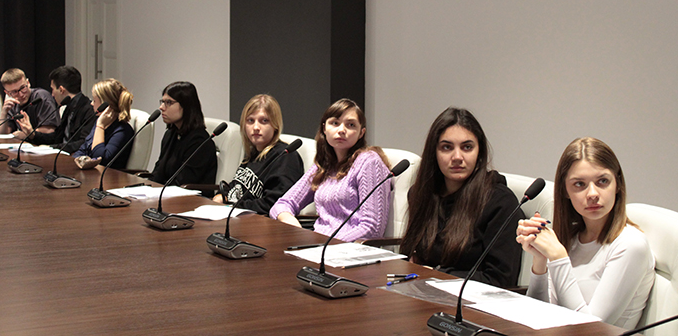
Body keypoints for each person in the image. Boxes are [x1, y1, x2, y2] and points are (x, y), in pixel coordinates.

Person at [516, 137, 654, 329]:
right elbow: (537, 317)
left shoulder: (631, 245)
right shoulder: (571, 238)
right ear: (565, 190)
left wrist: (558, 257)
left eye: (603, 181)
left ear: (618, 184)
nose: (592, 194)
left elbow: (590, 329)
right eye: (580, 184)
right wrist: (540, 262)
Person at [400, 107, 522, 288]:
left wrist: (436, 275)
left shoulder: (501, 203)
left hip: (472, 301)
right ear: (434, 153)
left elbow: (500, 280)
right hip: (422, 293)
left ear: (479, 153)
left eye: (467, 147)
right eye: (447, 147)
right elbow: (413, 257)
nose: (457, 157)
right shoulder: (421, 195)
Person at [270, 98, 392, 242]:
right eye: (335, 123)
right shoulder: (324, 165)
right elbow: (282, 204)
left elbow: (372, 228)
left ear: (361, 133)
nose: (341, 130)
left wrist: (327, 245)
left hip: (348, 249)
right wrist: (297, 230)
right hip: (317, 244)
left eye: (351, 125)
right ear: (324, 128)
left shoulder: (369, 162)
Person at [213, 94, 304, 214]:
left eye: (264, 121)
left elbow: (274, 205)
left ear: (275, 125)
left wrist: (232, 206)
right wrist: (222, 195)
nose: (256, 127)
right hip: (235, 215)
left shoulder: (286, 157)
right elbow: (238, 186)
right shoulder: (254, 152)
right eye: (250, 121)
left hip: (259, 221)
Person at [149, 81, 217, 186]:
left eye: (169, 102)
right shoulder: (170, 134)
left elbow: (184, 181)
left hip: (188, 195)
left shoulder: (199, 142)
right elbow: (159, 172)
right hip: (165, 192)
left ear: (186, 105)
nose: (161, 107)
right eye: (162, 102)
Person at [20, 66, 95, 154]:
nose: (52, 94)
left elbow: (83, 143)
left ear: (61, 90)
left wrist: (52, 147)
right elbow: (57, 137)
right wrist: (33, 135)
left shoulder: (89, 110)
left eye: (52, 89)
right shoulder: (68, 107)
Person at [73, 78, 135, 170]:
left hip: (109, 177)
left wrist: (100, 127)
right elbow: (82, 150)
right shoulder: (98, 123)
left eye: (94, 100)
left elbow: (101, 160)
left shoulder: (123, 130)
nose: (91, 103)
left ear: (105, 104)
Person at [0, 68, 60, 135]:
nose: (21, 94)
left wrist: (25, 134)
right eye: (14, 92)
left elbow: (49, 130)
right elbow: (1, 134)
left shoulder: (41, 97)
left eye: (23, 88)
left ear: (28, 83)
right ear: (8, 93)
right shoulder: (12, 104)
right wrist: (4, 113)